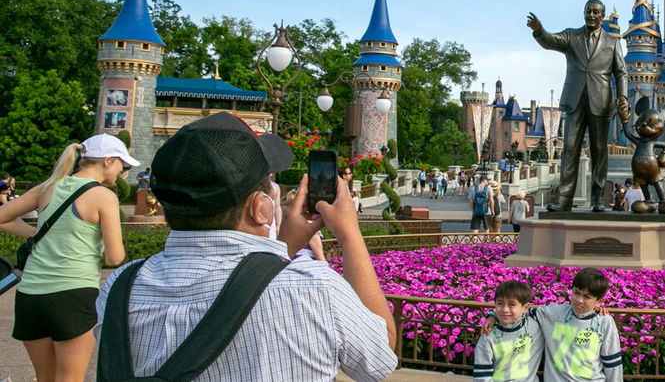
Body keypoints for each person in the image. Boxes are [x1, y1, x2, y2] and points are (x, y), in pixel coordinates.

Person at [94, 112, 397, 381]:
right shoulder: (315, 289)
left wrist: (283, 245)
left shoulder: (120, 288)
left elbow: (250, 284)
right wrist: (349, 235)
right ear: (261, 207)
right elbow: (380, 356)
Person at [0, 135, 134, 382]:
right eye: (121, 166)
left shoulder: (47, 187)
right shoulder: (103, 196)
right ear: (108, 161)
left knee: (45, 378)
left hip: (30, 296)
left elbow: (2, 217)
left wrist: (37, 234)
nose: (121, 172)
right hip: (73, 294)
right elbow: (115, 257)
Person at [527, 2, 631, 213]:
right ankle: (564, 199)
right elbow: (550, 41)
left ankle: (598, 200)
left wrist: (623, 97)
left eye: (595, 12)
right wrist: (539, 31)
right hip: (575, 101)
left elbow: (621, 72)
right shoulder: (571, 36)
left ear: (602, 16)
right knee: (570, 150)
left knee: (599, 153)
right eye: (588, 12)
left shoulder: (612, 41)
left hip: (600, 101)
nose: (591, 15)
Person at [474, 280, 544, 382]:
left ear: (525, 308)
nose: (505, 310)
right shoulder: (488, 336)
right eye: (500, 303)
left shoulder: (536, 325)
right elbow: (482, 378)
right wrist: (493, 315)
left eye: (511, 304)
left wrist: (492, 315)